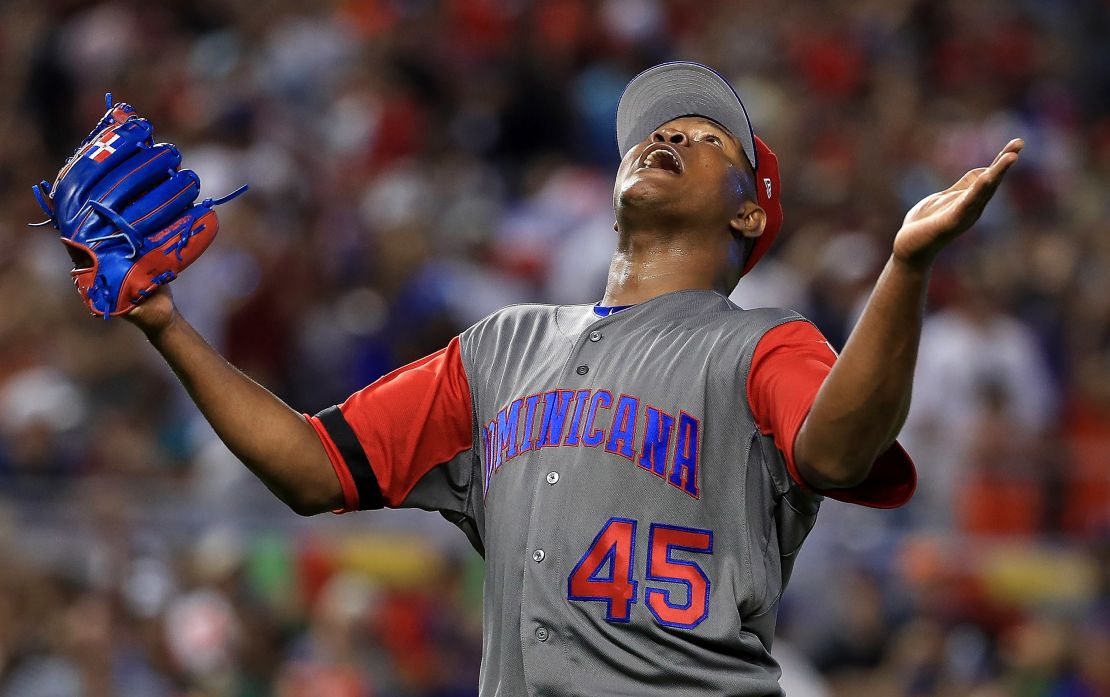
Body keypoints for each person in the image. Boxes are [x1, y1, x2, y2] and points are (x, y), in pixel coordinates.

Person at [112, 62, 1022, 695]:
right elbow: (314, 466)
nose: (669, 134)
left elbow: (837, 447)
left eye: (707, 138)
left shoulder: (761, 345)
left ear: (750, 209)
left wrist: (904, 271)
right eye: (660, 128)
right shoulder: (501, 345)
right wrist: (165, 322)